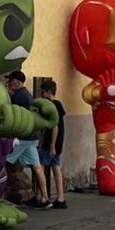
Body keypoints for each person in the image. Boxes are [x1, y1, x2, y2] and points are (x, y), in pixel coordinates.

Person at [6, 70, 51, 209]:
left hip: (21, 138)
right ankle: (44, 198)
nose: (8, 84)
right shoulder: (28, 95)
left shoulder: (18, 97)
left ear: (16, 82)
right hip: (32, 138)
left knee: (1, 162)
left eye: (10, 81)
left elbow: (11, 115)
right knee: (37, 168)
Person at [39, 80, 67, 209]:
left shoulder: (51, 106)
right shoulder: (59, 104)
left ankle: (44, 197)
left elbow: (54, 126)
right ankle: (60, 197)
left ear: (49, 92)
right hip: (58, 142)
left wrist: (51, 146)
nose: (42, 94)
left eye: (43, 92)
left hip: (52, 142)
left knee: (40, 168)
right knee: (56, 168)